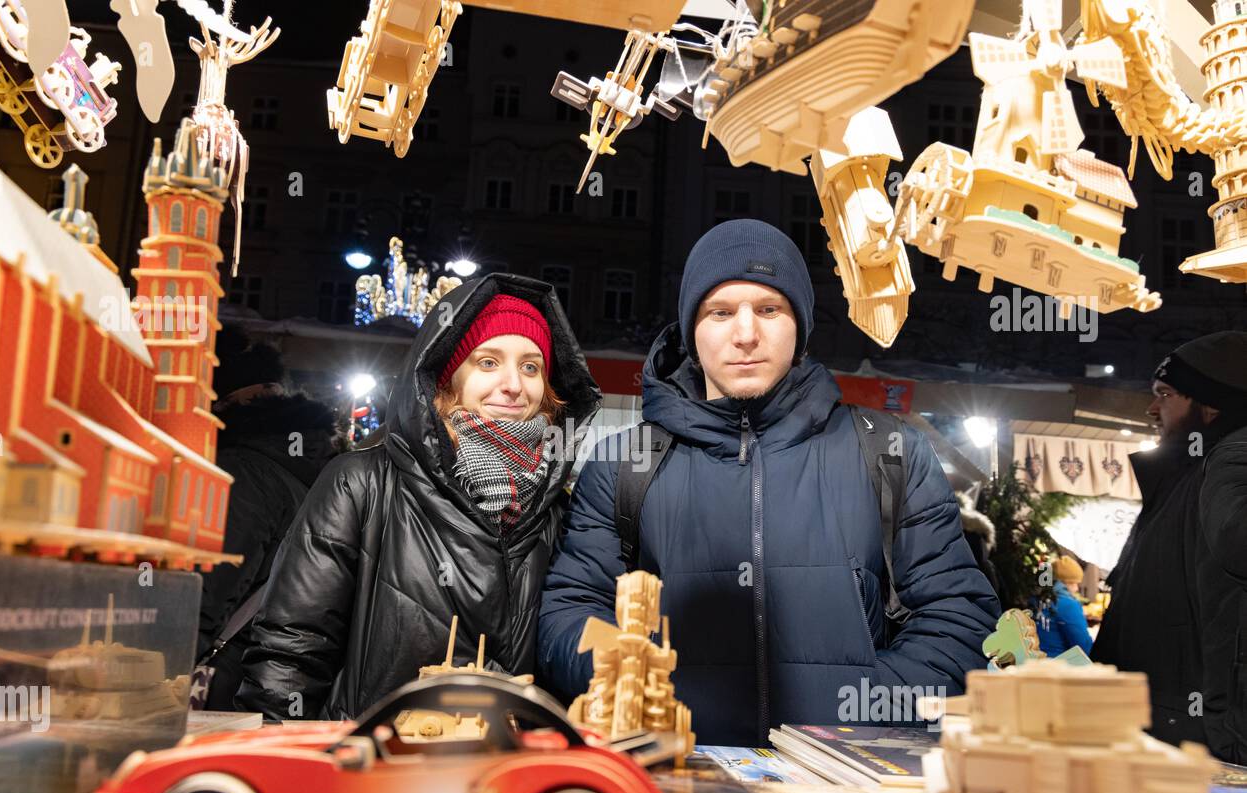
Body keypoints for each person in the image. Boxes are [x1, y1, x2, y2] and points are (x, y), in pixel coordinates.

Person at [538, 219, 999, 746]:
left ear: (799, 325)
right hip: (679, 777)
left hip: (841, 788)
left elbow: (959, 616)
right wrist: (628, 682)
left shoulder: (889, 451)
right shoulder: (626, 461)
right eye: (720, 311)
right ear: (692, 329)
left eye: (768, 309)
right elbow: (569, 611)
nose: (745, 333)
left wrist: (869, 705)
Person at [234, 275, 600, 720]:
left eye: (530, 367)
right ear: (446, 378)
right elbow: (290, 653)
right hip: (376, 774)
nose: (513, 385)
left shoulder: (556, 511)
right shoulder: (362, 484)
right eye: (487, 362)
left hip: (506, 780)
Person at [1093, 331, 1247, 764]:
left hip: (1205, 743)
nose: (1152, 408)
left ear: (1211, 404)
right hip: (1168, 731)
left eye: (1165, 394)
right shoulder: (1183, 477)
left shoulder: (1233, 458)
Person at [195, 327, 343, 710]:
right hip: (280, 680)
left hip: (228, 684)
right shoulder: (319, 469)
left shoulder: (242, 468)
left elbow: (212, 586)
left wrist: (169, 662)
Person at [1035, 556, 1093, 658]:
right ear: (1062, 583)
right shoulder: (1067, 605)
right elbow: (1084, 647)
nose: (1076, 588)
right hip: (1060, 667)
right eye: (1073, 583)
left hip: (1034, 663)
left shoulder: (1036, 599)